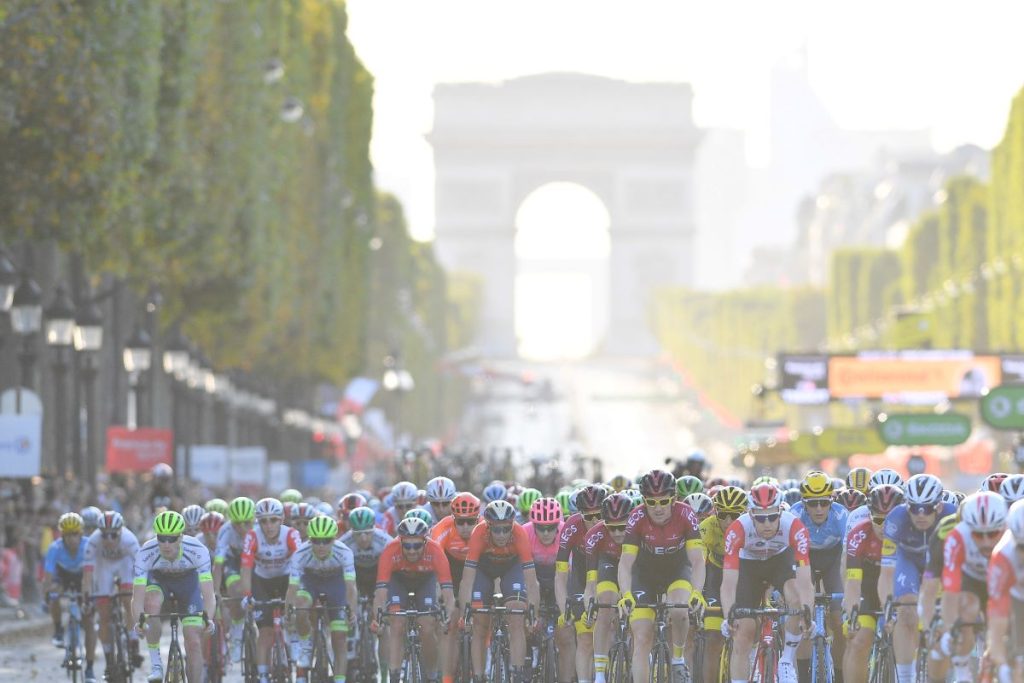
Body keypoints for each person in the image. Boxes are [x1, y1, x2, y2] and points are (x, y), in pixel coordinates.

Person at [617, 469, 705, 683]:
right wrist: (626, 593)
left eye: (663, 501)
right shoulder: (636, 517)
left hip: (677, 570)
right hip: (644, 574)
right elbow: (626, 562)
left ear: (673, 499)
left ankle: (677, 660)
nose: (657, 508)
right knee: (642, 638)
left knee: (680, 610)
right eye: (651, 502)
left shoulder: (686, 514)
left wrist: (697, 592)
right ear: (644, 500)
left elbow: (697, 560)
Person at [720, 482, 813, 683]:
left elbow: (805, 581)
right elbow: (728, 583)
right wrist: (728, 615)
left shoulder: (794, 526)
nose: (767, 524)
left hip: (780, 562)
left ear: (780, 512)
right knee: (743, 634)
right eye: (761, 519)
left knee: (796, 597)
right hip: (749, 566)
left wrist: (808, 612)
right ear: (751, 515)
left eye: (772, 517)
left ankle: (786, 661)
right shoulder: (737, 529)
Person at [879, 474, 955, 683]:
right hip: (908, 560)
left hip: (940, 562)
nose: (921, 514)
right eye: (914, 508)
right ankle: (905, 677)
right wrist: (888, 606)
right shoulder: (895, 519)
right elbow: (887, 572)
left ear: (939, 506)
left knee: (945, 615)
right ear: (907, 506)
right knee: (906, 611)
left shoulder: (952, 516)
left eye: (928, 508)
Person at [459, 499, 540, 683]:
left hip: (511, 568)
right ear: (488, 527)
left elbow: (531, 581)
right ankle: (478, 676)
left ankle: (517, 675)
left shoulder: (519, 533)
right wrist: (465, 613)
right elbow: (467, 580)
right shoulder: (478, 533)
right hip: (484, 570)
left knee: (517, 614)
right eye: (497, 529)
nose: (502, 534)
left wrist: (533, 614)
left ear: (512, 525)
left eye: (506, 528)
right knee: (479, 621)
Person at [132, 510, 216, 683]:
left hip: (188, 586)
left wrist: (208, 618)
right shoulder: (145, 552)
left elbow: (208, 593)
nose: (166, 544)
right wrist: (139, 622)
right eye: (162, 538)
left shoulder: (198, 550)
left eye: (172, 538)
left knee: (193, 642)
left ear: (181, 537)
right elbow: (137, 598)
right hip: (159, 581)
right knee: (151, 603)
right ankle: (156, 665)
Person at [374, 516, 455, 683]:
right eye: (407, 546)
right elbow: (380, 592)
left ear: (425, 542)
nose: (412, 551)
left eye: (417, 546)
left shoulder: (435, 550)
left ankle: (431, 675)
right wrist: (378, 618)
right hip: (398, 581)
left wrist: (448, 614)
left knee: (427, 626)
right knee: (396, 624)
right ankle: (394, 675)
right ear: (400, 542)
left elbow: (447, 591)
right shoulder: (390, 550)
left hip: (425, 581)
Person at [790, 471, 848, 681]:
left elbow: (848, 556)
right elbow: (787, 556)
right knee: (804, 619)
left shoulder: (841, 516)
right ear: (803, 503)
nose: (819, 509)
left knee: (839, 622)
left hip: (833, 561)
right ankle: (804, 678)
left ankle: (840, 676)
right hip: (806, 559)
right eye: (813, 504)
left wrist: (848, 591)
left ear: (831, 501)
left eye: (824, 503)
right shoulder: (795, 515)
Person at [842, 484, 903, 683]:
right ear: (869, 515)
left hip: (899, 584)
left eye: (891, 519)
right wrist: (852, 614)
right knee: (859, 641)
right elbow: (852, 582)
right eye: (878, 520)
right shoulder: (858, 534)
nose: (884, 526)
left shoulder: (910, 534)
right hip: (866, 586)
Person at [286, 515, 357, 683]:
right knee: (300, 608)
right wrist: (288, 613)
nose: (321, 546)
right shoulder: (300, 554)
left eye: (326, 541)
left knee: (339, 637)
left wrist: (351, 610)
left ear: (334, 539)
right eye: (316, 541)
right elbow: (293, 588)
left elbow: (350, 586)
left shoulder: (345, 552)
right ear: (310, 540)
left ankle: (339, 680)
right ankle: (306, 644)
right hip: (310, 583)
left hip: (336, 585)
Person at [239, 498, 301, 683]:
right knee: (265, 632)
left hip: (287, 580)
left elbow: (300, 566)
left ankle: (294, 640)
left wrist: (295, 596)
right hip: (262, 582)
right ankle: (263, 676)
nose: (269, 525)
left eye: (273, 520)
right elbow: (245, 569)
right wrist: (247, 595)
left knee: (293, 615)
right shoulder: (252, 536)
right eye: (263, 521)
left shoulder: (291, 534)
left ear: (282, 519)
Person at [555, 483, 608, 683]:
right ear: (580, 514)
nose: (594, 520)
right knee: (585, 636)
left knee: (608, 628)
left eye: (599, 515)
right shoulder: (571, 527)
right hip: (581, 576)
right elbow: (560, 575)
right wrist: (564, 610)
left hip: (609, 573)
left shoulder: (616, 525)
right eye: (588, 516)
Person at [82, 511, 142, 681]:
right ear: (99, 532)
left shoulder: (130, 540)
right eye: (104, 535)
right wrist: (87, 596)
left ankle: (133, 640)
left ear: (121, 531)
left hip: (125, 566)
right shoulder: (93, 541)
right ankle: (109, 658)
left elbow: (141, 567)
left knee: (128, 600)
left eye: (113, 535)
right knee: (104, 615)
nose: (108, 539)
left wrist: (142, 591)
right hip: (104, 568)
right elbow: (87, 574)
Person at [698, 486, 748, 683]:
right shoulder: (707, 526)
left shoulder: (751, 527)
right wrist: (696, 591)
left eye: (734, 515)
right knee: (713, 639)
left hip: (744, 576)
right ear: (715, 512)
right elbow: (698, 561)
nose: (728, 521)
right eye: (723, 515)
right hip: (715, 575)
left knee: (747, 633)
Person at [431, 492, 480, 683]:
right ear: (453, 518)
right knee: (449, 624)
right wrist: (443, 598)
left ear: (478, 518)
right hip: (450, 568)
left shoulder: (486, 528)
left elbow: (495, 569)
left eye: (470, 521)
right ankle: (447, 678)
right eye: (460, 522)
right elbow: (436, 565)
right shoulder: (442, 529)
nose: (465, 527)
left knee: (484, 615)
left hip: (478, 568)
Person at [586, 492, 634, 683]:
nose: (617, 533)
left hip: (635, 566)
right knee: (605, 606)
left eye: (622, 527)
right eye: (611, 528)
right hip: (608, 564)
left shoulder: (640, 531)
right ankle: (599, 674)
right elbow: (591, 583)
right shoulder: (594, 535)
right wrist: (590, 603)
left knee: (639, 613)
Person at [45, 511, 92, 678]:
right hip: (62, 577)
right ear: (62, 535)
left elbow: (93, 573)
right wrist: (47, 594)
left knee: (86, 608)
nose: (72, 538)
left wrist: (90, 594)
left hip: (82, 577)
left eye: (75, 534)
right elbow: (48, 577)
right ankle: (58, 629)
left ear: (81, 533)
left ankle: (85, 630)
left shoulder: (88, 545)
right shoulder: (55, 548)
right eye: (68, 534)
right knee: (53, 595)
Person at [986, 499, 1024, 683]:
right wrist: (1001, 666)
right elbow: (997, 617)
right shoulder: (1003, 554)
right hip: (1018, 597)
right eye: (1022, 547)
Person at [214, 496, 255, 663]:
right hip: (234, 563)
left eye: (247, 523)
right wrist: (215, 590)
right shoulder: (225, 531)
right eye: (237, 523)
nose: (242, 527)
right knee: (236, 592)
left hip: (255, 563)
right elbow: (218, 564)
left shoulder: (260, 528)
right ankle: (237, 636)